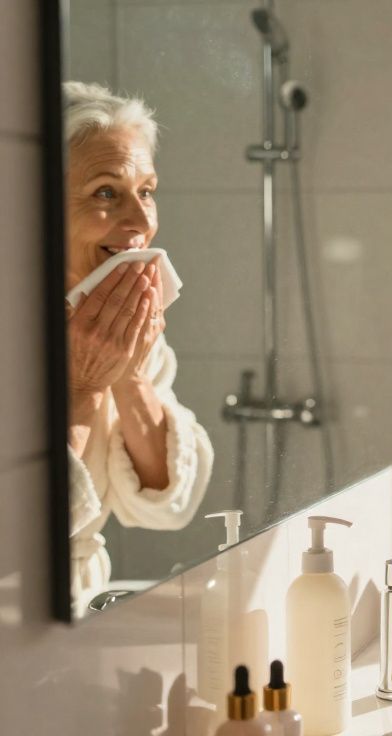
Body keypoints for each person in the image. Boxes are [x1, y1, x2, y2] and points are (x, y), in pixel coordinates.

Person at [63, 81, 213, 612]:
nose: (142, 222)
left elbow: (166, 504)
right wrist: (84, 387)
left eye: (146, 191)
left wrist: (126, 369)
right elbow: (19, 526)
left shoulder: (119, 325)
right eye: (106, 192)